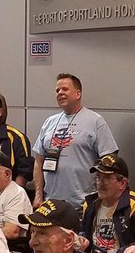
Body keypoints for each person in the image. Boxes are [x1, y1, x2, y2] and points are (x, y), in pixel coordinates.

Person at [33, 74, 118, 208]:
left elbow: (109, 162)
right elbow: (39, 160)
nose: (60, 93)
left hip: (83, 205)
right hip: (50, 204)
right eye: (57, 90)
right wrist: (38, 195)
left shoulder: (95, 121)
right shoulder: (49, 122)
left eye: (65, 89)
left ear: (78, 94)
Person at [80, 154, 135, 253]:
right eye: (98, 177)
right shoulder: (90, 204)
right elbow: (84, 233)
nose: (100, 183)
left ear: (122, 183)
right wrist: (81, 239)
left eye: (107, 178)